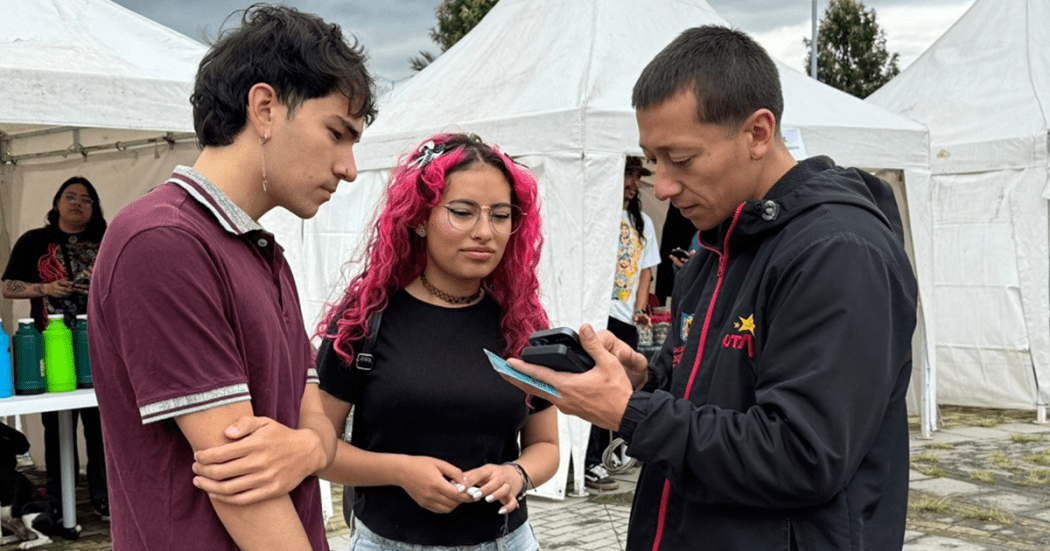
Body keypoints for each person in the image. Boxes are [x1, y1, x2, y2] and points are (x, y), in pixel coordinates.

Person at [502, 26, 917, 550]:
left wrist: (629, 413)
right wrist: (643, 382)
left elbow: (803, 456)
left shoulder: (839, 251)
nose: (665, 185)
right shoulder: (714, 248)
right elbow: (712, 404)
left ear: (759, 133)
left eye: (682, 159)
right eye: (652, 161)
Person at [87, 6, 377, 550]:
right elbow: (241, 485)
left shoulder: (262, 252)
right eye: (338, 133)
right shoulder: (163, 242)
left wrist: (311, 450)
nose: (349, 166)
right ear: (265, 108)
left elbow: (313, 416)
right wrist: (313, 443)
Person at [315, 133, 558, 551]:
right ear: (420, 218)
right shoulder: (362, 321)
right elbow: (316, 448)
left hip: (505, 542)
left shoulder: (522, 323)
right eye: (463, 212)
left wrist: (517, 474)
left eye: (501, 215)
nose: (485, 231)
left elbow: (546, 445)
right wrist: (400, 471)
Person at [2, 176, 110, 520]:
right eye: (71, 196)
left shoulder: (107, 240)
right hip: (51, 342)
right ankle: (59, 499)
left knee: (99, 423)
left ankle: (103, 496)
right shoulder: (34, 241)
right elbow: (8, 286)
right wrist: (45, 288)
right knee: (57, 421)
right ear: (57, 202)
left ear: (95, 209)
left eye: (86, 199)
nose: (78, 203)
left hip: (99, 341)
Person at [583, 157, 660, 492]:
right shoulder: (596, 218)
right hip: (598, 315)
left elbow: (646, 271)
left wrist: (641, 308)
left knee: (621, 390)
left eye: (635, 178)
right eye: (627, 175)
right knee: (594, 385)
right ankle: (589, 460)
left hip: (625, 321)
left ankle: (610, 454)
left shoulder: (643, 222)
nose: (631, 184)